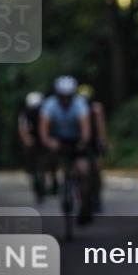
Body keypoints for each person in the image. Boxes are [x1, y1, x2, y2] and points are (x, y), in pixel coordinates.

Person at [39, 75, 94, 223]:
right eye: (62, 97)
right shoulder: (49, 105)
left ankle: (85, 205)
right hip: (57, 140)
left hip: (76, 140)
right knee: (48, 157)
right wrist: (49, 142)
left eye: (68, 97)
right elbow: (43, 131)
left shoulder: (80, 104)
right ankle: (52, 181)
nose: (65, 100)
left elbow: (86, 129)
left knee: (83, 171)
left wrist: (83, 142)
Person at [17, 91, 52, 202]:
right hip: (32, 137)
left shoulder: (46, 112)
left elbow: (50, 126)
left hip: (43, 137)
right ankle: (31, 172)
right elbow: (22, 128)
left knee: (47, 157)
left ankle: (46, 175)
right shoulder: (25, 113)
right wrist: (27, 140)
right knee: (29, 156)